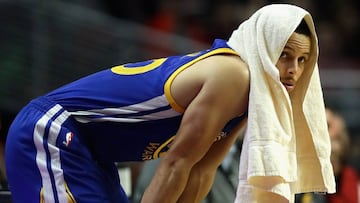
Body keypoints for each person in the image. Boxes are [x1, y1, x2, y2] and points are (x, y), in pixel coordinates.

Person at [5, 4, 335, 203]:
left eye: (303, 59)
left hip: (92, 151)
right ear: (264, 49)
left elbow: (201, 171)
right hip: (52, 129)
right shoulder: (233, 74)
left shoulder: (252, 98)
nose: (294, 70)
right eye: (285, 55)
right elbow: (176, 164)